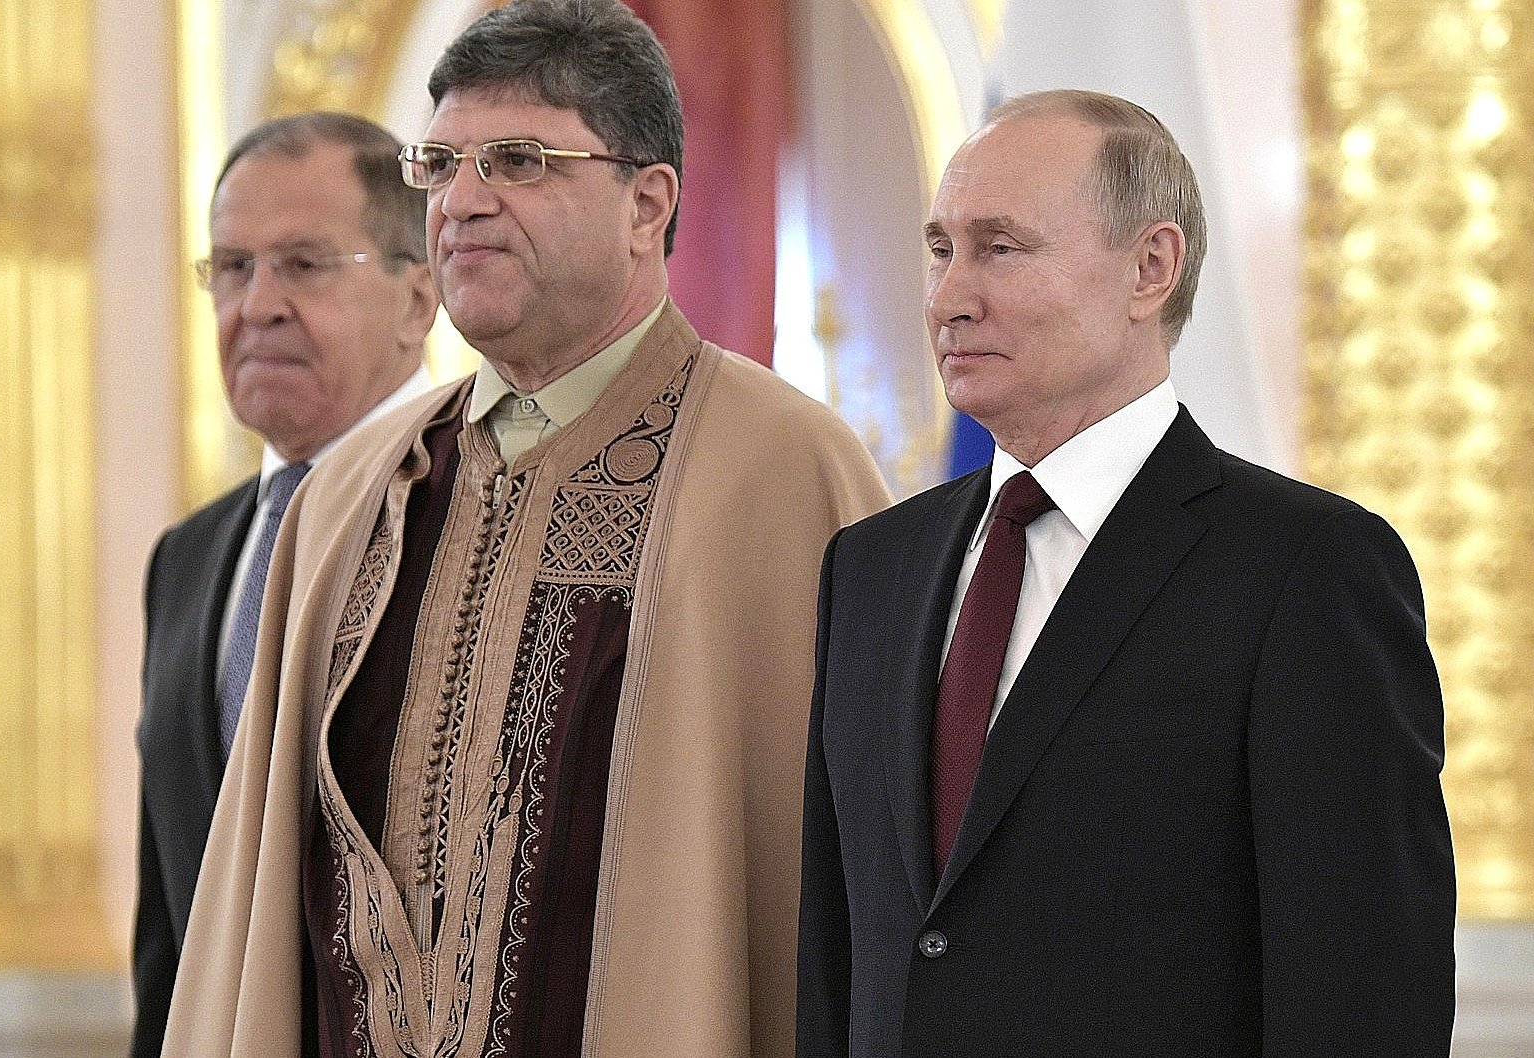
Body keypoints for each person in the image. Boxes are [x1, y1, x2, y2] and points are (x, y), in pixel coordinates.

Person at [160, 3, 891, 1057]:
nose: (460, 201)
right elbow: (259, 913)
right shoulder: (352, 493)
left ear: (647, 203)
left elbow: (844, 903)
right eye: (439, 164)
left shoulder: (782, 471)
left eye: (516, 160)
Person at [797, 89, 1455, 1057]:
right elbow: (840, 947)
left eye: (1000, 246)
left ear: (1149, 267)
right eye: (941, 249)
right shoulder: (870, 565)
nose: (948, 296)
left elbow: (1363, 987)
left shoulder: (1303, 568)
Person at [132, 111, 438, 1058]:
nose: (255, 304)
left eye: (303, 265)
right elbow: (168, 930)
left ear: (419, 299)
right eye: (230, 267)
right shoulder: (188, 559)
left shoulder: (474, 519)